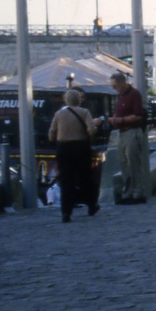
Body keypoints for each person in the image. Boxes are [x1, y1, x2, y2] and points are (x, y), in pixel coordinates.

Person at [47, 88, 99, 222]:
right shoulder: (84, 112)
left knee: (66, 180)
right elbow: (92, 129)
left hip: (64, 148)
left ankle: (66, 212)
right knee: (85, 177)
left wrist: (56, 139)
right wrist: (89, 138)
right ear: (79, 100)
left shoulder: (59, 114)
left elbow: (52, 133)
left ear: (66, 100)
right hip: (81, 147)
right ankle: (92, 205)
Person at [102, 70, 150, 204]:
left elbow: (138, 115)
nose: (114, 89)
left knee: (133, 163)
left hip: (132, 131)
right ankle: (128, 192)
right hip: (122, 132)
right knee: (124, 164)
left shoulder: (134, 94)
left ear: (122, 83)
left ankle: (138, 193)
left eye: (115, 86)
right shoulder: (121, 96)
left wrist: (120, 120)